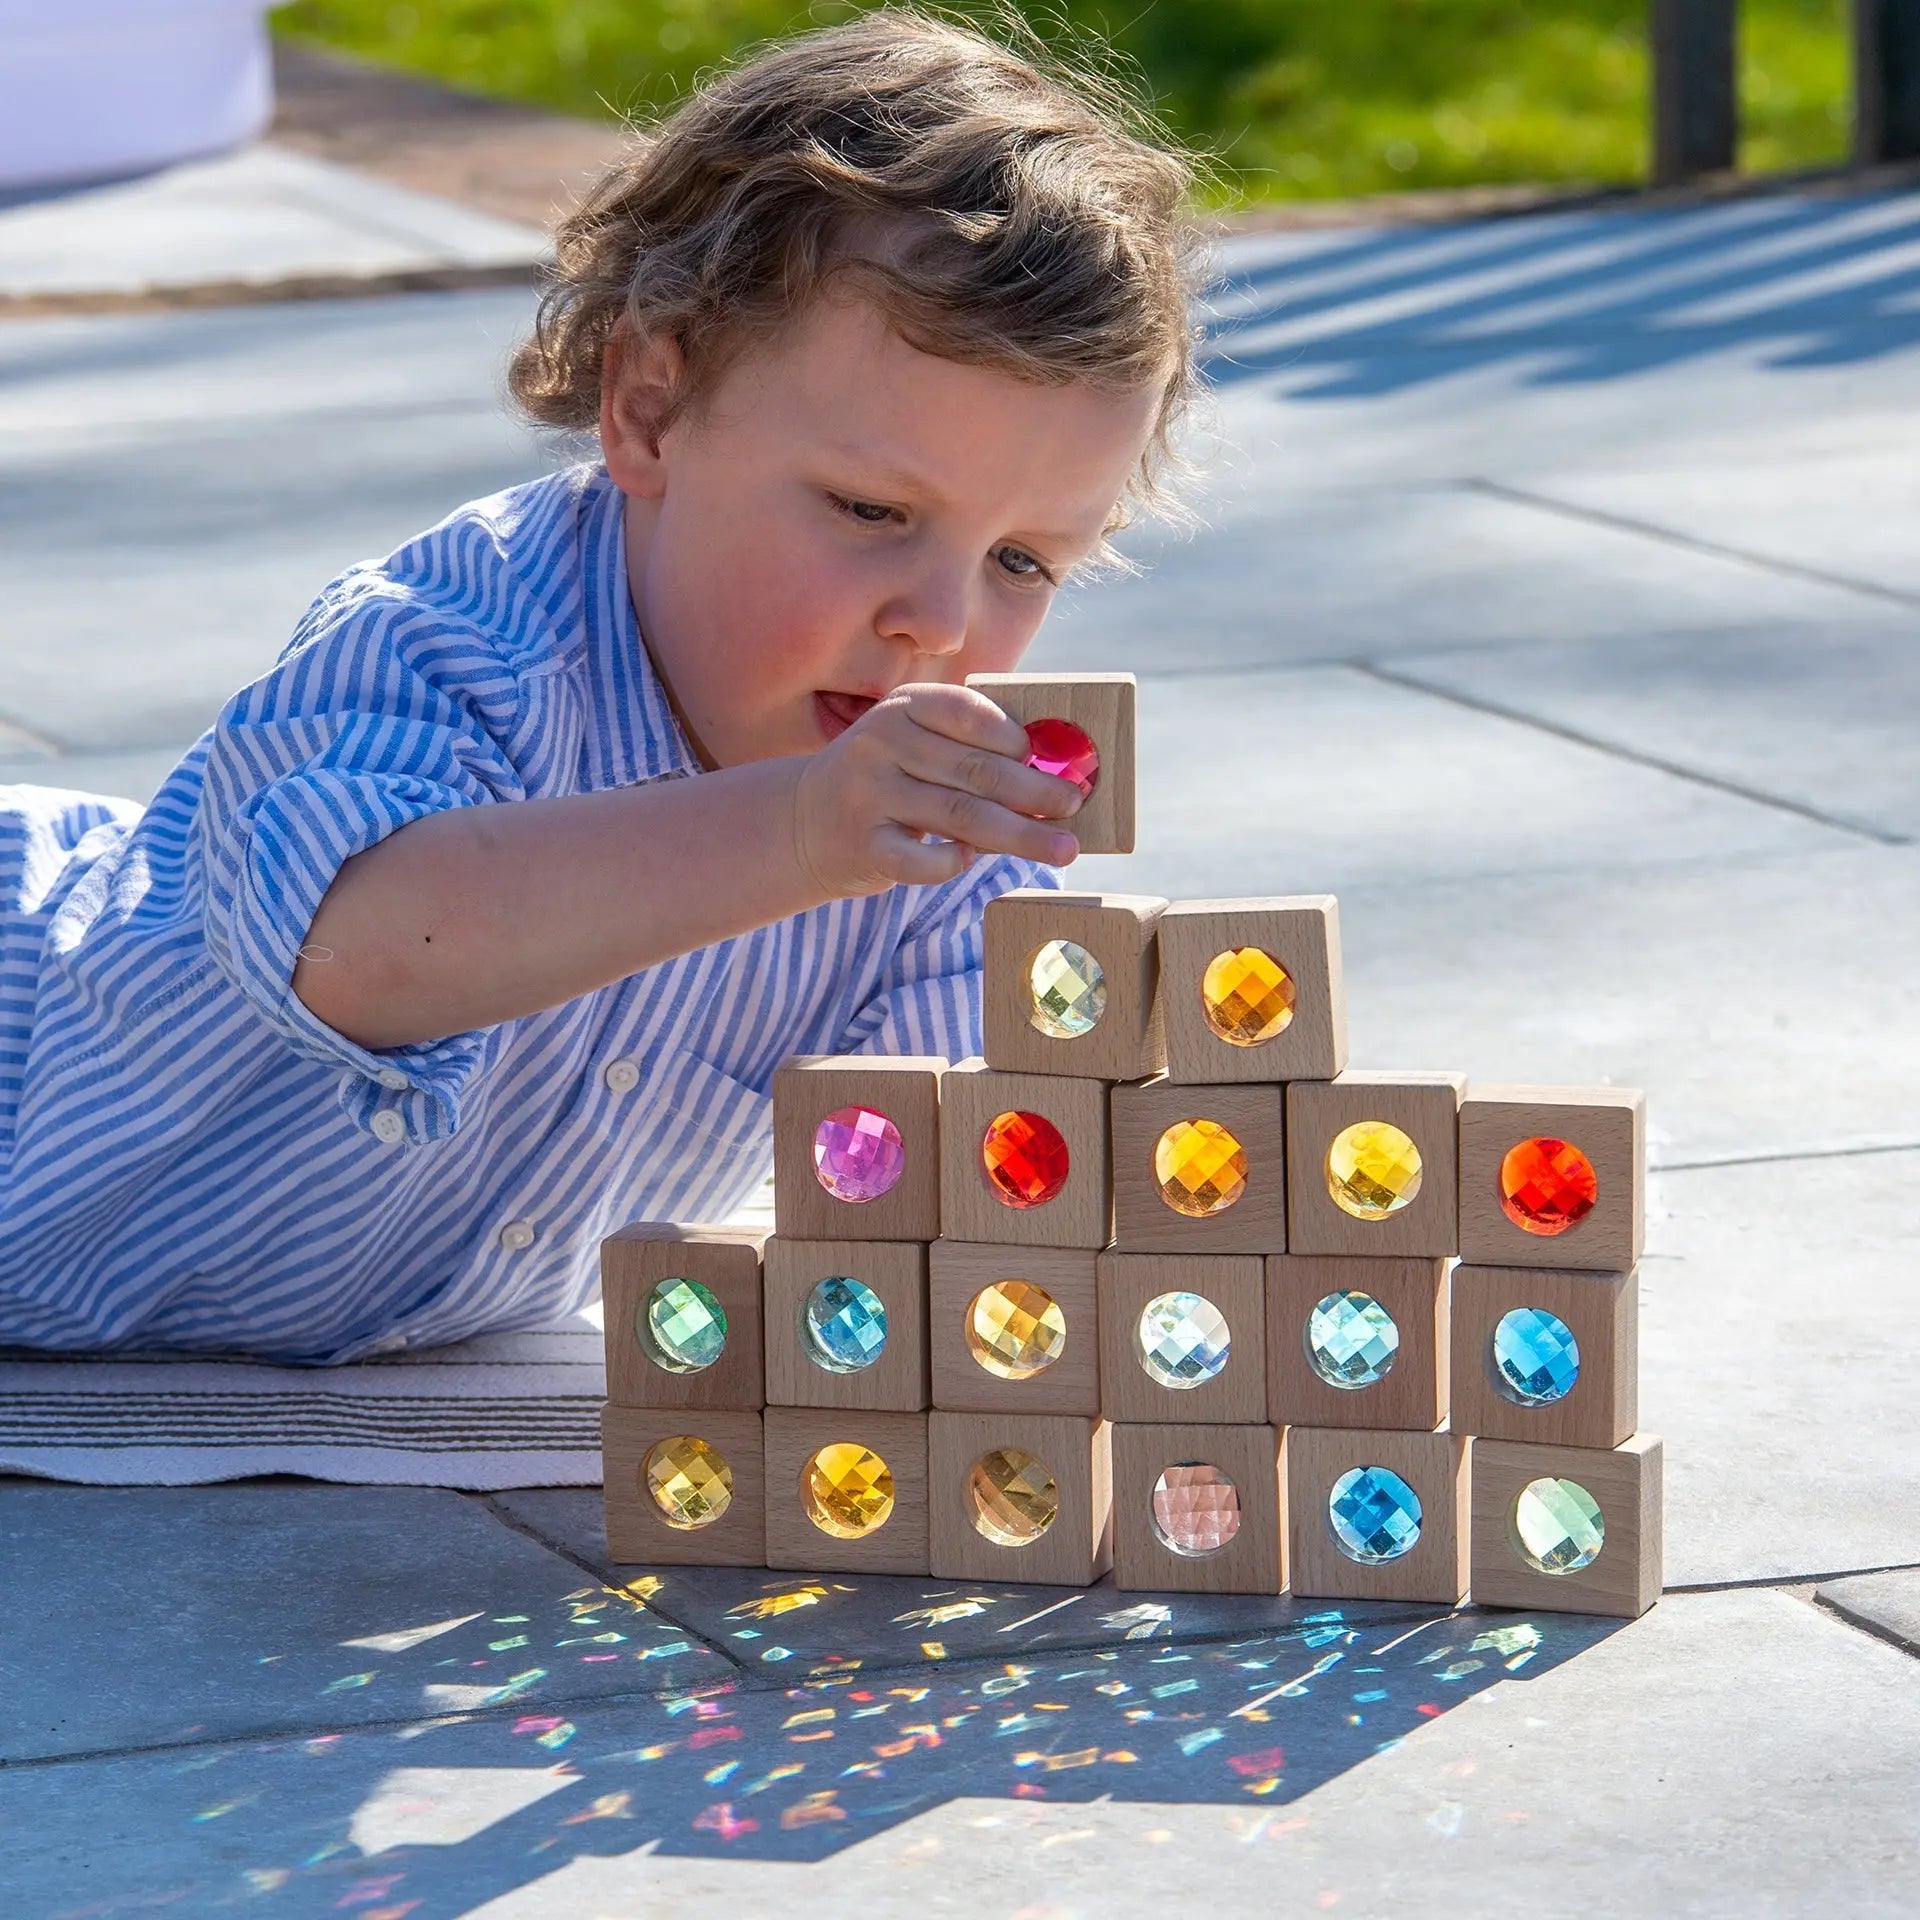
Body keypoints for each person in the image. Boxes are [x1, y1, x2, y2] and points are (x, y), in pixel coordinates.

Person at [0, 9, 1202, 1361]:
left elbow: (952, 1186)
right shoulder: (454, 637)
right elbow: (357, 950)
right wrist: (798, 831)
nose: (937, 621)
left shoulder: (940, 841)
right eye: (871, 510)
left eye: (1025, 559)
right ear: (646, 411)